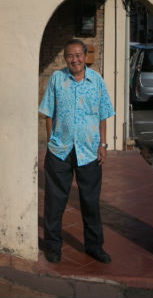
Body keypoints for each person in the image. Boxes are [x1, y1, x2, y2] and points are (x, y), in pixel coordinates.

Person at [39, 39, 114, 264]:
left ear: (85, 56)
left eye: (78, 55)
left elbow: (103, 114)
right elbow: (48, 113)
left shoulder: (96, 81)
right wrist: (52, 140)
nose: (75, 59)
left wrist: (103, 145)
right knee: (55, 202)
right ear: (65, 59)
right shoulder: (57, 79)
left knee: (90, 202)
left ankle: (94, 247)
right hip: (60, 151)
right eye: (70, 56)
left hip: (89, 151)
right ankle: (53, 247)